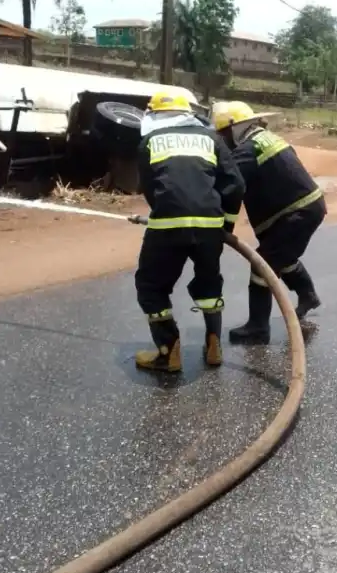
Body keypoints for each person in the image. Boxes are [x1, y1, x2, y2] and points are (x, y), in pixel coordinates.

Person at [133, 90, 245, 372]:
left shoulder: (149, 141)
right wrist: (226, 226)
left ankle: (167, 352)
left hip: (167, 226)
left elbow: (150, 187)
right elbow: (235, 184)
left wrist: (168, 210)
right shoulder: (212, 139)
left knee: (152, 286)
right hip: (210, 225)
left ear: (154, 115)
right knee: (209, 283)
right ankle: (213, 344)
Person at [212, 100, 326, 345]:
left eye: (222, 134)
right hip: (303, 208)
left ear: (233, 129)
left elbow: (231, 189)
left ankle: (258, 328)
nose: (221, 140)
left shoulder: (245, 151)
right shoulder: (266, 138)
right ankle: (308, 295)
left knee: (262, 265)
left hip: (296, 212)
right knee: (281, 256)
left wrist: (222, 227)